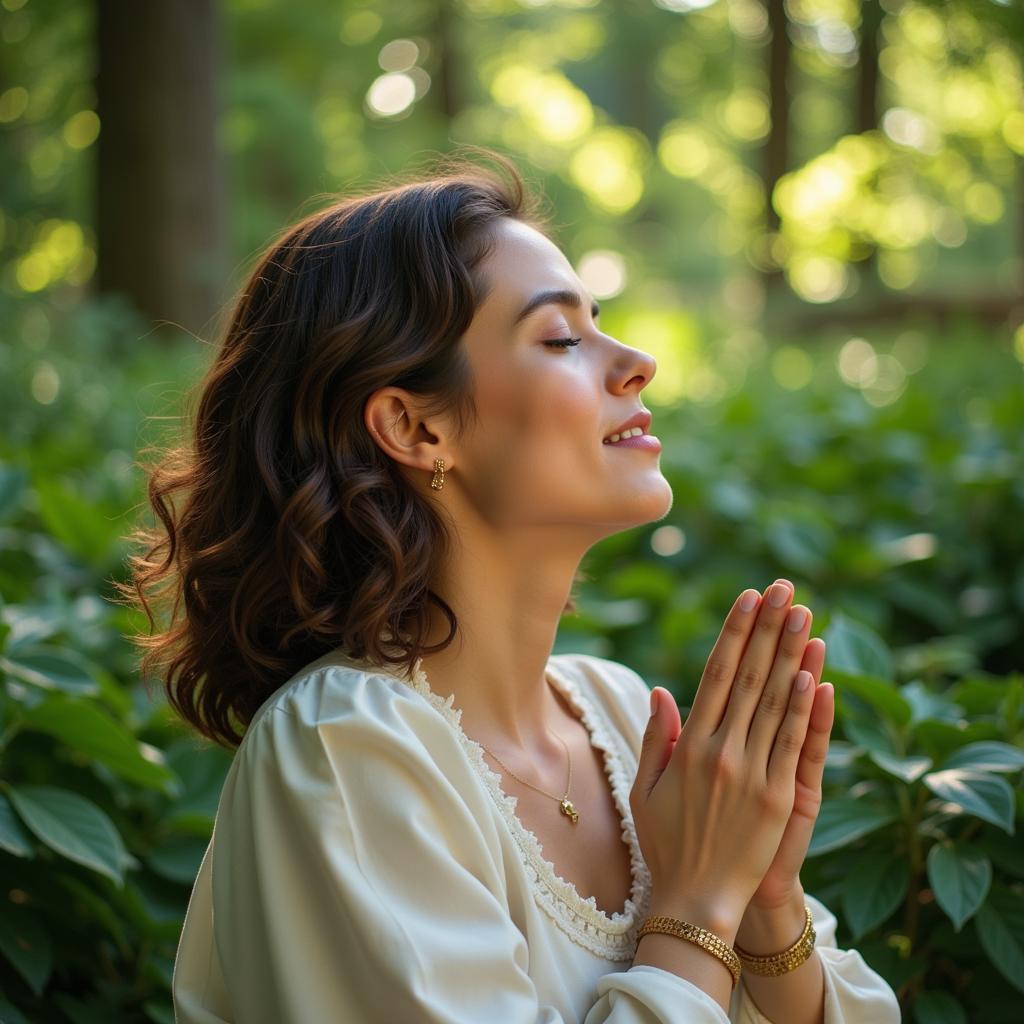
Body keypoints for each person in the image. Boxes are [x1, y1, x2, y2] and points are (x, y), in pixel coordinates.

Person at [123, 149, 901, 1022]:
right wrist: (699, 904)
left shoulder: (622, 717)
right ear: (414, 426)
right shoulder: (343, 749)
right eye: (562, 338)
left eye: (599, 323)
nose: (637, 360)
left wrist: (766, 902)